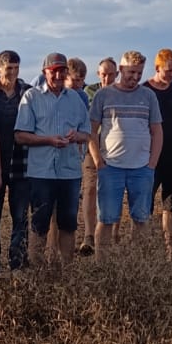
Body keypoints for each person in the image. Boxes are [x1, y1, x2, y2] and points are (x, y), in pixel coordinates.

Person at [17, 53, 91, 269]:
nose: (58, 75)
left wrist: (76, 136)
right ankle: (37, 271)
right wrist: (48, 140)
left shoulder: (76, 99)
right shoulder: (31, 97)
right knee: (39, 225)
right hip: (42, 172)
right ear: (45, 72)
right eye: (53, 70)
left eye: (62, 70)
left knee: (68, 224)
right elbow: (20, 135)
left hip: (69, 172)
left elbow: (86, 133)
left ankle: (65, 270)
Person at [88, 51, 162, 256]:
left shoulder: (148, 96)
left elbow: (157, 130)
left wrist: (152, 163)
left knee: (141, 219)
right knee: (106, 219)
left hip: (141, 168)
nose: (136, 77)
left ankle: (136, 265)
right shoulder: (103, 95)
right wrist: (98, 161)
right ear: (120, 70)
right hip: (110, 167)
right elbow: (91, 131)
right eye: (131, 72)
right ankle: (102, 265)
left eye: (139, 73)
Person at [0, 50, 32, 278]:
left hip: (22, 163)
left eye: (16, 68)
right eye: (8, 68)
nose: (12, 72)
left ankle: (18, 264)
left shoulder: (28, 93)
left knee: (20, 217)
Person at [144, 49, 172, 260]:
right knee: (146, 203)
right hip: (149, 155)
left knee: (171, 204)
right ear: (157, 68)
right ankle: (148, 247)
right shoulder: (144, 90)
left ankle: (170, 249)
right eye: (168, 70)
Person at [67, 57, 99, 255]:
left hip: (80, 148)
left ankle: (88, 235)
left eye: (81, 80)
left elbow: (85, 125)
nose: (79, 84)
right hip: (61, 151)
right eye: (75, 80)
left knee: (88, 189)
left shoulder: (82, 96)